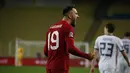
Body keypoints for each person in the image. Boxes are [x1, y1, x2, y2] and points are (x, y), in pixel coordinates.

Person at [43, 5, 94, 73]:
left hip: (49, 67)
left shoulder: (51, 28)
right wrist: (87, 56)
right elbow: (70, 48)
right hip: (60, 68)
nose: (78, 16)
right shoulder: (67, 27)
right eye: (76, 13)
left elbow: (46, 52)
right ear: (70, 15)